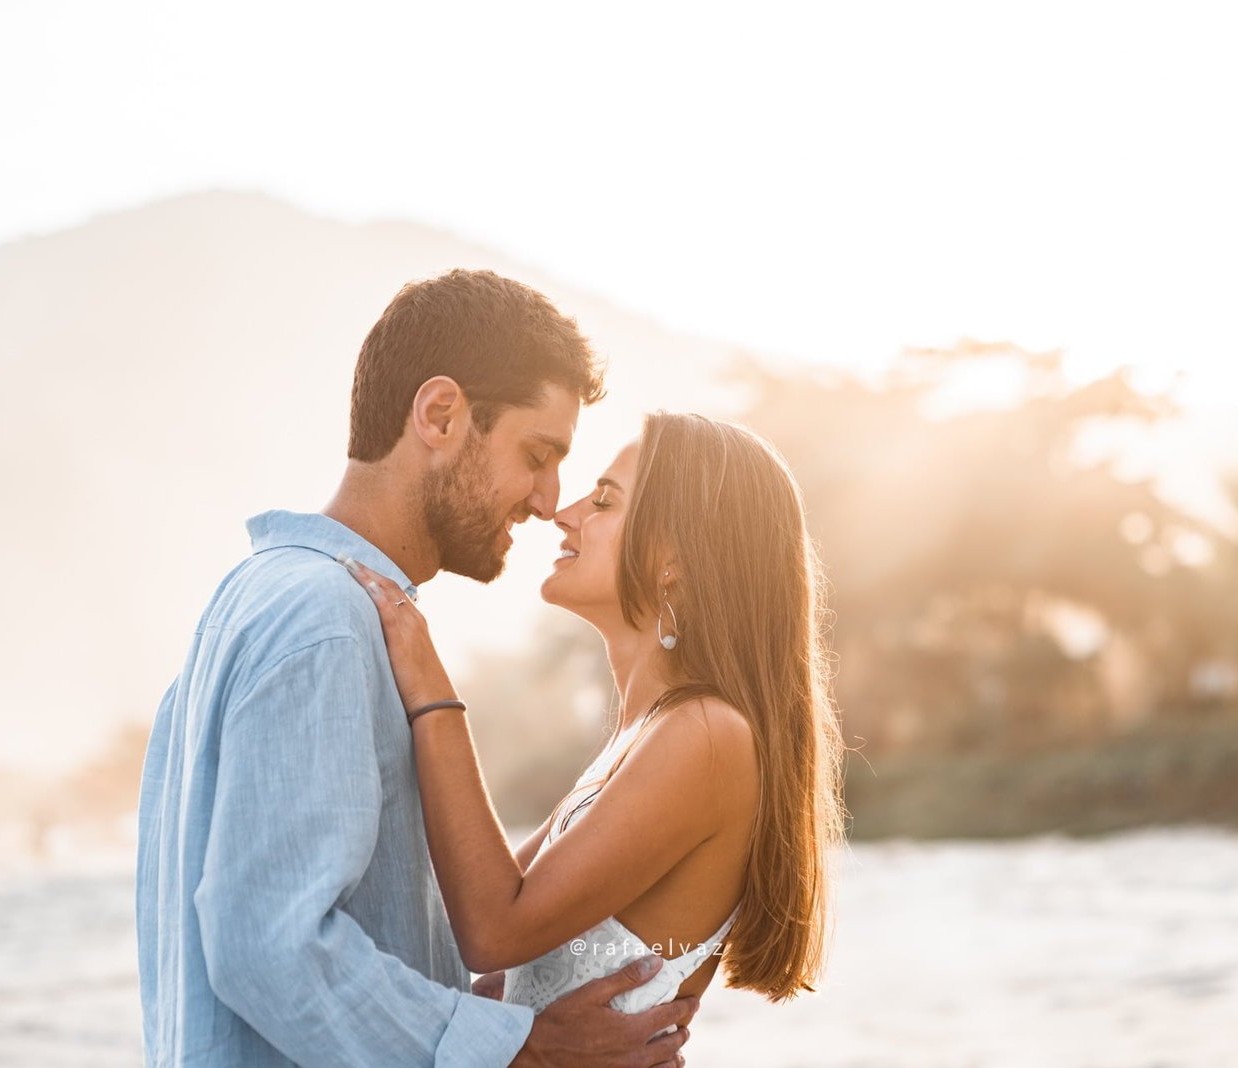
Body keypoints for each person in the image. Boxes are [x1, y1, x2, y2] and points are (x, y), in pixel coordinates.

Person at [136, 269, 698, 1067]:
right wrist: (524, 1053)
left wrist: (478, 1008)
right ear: (440, 415)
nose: (548, 501)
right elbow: (270, 946)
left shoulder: (258, 600)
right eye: (537, 455)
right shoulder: (323, 621)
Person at [341, 410, 846, 1022]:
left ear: (674, 560)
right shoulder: (643, 736)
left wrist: (431, 688)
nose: (564, 512)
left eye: (604, 501)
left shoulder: (705, 735)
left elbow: (493, 930)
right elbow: (463, 928)